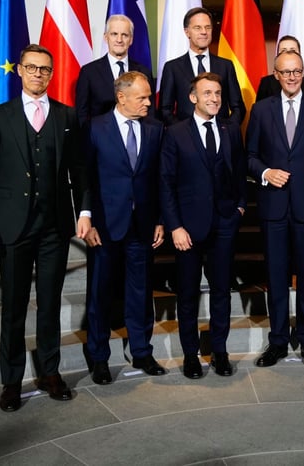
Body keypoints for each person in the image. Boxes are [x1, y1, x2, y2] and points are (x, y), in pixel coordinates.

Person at [0, 44, 92, 413]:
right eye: (32, 67)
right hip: (12, 226)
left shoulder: (66, 115)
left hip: (54, 226)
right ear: (20, 71)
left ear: (51, 74)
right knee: (13, 306)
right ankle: (11, 382)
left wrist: (84, 212)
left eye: (45, 69)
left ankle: (49, 373)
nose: (38, 74)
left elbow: (80, 171)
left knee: (50, 304)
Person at [246, 50, 304, 369]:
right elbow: (249, 156)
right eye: (285, 72)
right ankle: (278, 341)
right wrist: (265, 172)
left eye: (297, 71)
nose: (291, 77)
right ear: (276, 75)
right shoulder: (261, 110)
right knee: (276, 277)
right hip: (273, 207)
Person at [81, 70, 166, 386]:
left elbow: (159, 178)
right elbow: (85, 177)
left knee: (141, 292)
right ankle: (99, 358)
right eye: (142, 97)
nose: (148, 103)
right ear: (121, 97)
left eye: (148, 97)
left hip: (142, 225)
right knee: (100, 293)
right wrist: (87, 218)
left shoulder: (155, 129)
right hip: (104, 226)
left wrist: (160, 219)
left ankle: (142, 352)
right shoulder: (95, 127)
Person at [160, 72, 247, 379]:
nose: (214, 98)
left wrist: (239, 206)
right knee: (187, 293)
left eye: (218, 93)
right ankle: (190, 355)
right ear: (193, 97)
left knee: (222, 290)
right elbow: (166, 183)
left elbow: (239, 171)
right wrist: (175, 226)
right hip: (188, 228)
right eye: (207, 93)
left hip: (224, 223)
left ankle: (219, 351)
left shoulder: (230, 129)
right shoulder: (175, 133)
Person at [157, 7, 245, 126]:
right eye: (197, 28)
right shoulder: (173, 68)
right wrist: (182, 132)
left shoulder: (225, 66)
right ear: (187, 32)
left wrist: (227, 130)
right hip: (186, 135)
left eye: (207, 27)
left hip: (220, 133)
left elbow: (238, 107)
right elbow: (165, 110)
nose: (204, 32)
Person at [75, 14, 153, 127]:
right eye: (114, 34)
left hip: (135, 133)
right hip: (100, 135)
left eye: (124, 35)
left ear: (131, 40)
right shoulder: (89, 72)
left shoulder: (144, 72)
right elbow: (82, 113)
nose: (119, 40)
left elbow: (150, 113)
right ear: (106, 37)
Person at [256, 35, 304, 102]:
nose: (288, 54)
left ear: (299, 54)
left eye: (293, 51)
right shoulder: (266, 83)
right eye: (283, 51)